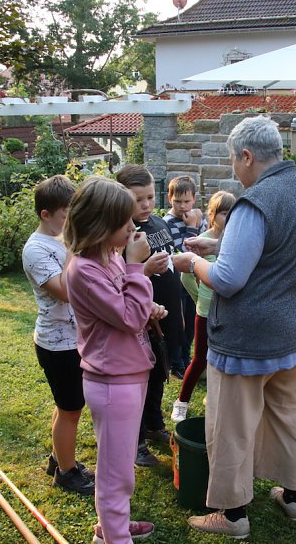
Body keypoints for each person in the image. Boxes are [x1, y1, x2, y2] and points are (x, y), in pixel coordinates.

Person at [172, 116, 296, 539]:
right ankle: (292, 498)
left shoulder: (254, 201)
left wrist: (192, 261)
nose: (233, 168)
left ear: (247, 156)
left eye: (233, 159)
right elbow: (282, 249)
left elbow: (227, 279)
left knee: (231, 428)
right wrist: (222, 246)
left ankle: (232, 514)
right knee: (289, 417)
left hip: (250, 340)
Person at [64, 176, 167, 544]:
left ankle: (113, 527)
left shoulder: (108, 257)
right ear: (101, 225)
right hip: (112, 383)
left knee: (120, 465)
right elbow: (127, 317)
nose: (133, 226)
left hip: (129, 373)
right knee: (114, 471)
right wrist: (137, 268)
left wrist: (147, 306)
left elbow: (126, 305)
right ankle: (115, 537)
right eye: (125, 222)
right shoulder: (84, 271)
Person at [21, 175, 95, 495]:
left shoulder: (62, 239)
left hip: (73, 339)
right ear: (46, 214)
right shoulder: (35, 249)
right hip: (57, 343)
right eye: (65, 214)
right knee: (70, 409)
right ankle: (65, 473)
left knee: (67, 405)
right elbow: (67, 291)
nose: (70, 219)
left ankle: (58, 457)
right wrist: (76, 249)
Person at [116, 164, 182, 468]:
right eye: (137, 199)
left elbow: (168, 257)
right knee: (140, 379)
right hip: (138, 317)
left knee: (159, 373)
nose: (145, 205)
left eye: (150, 197)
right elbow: (116, 277)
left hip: (164, 316)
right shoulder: (122, 232)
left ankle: (154, 424)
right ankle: (136, 441)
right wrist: (145, 269)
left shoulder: (157, 224)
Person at [171, 190, 236, 423]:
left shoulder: (235, 241)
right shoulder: (203, 240)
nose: (228, 218)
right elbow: (187, 275)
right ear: (212, 214)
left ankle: (217, 400)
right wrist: (200, 297)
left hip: (230, 313)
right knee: (199, 359)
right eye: (224, 213)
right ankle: (182, 402)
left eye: (232, 213)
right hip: (207, 311)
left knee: (226, 361)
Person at [163, 175, 207, 378]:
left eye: (187, 201)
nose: (182, 206)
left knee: (191, 320)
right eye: (177, 201)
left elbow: (204, 244)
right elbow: (180, 252)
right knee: (178, 322)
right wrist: (191, 228)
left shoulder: (200, 218)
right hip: (177, 281)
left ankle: (186, 357)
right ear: (169, 198)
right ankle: (176, 362)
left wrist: (197, 225)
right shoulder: (167, 222)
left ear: (194, 199)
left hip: (194, 278)